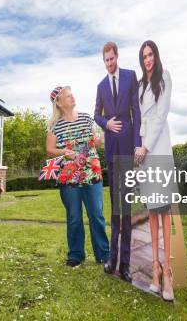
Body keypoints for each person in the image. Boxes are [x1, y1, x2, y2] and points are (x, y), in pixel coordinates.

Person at [94, 42, 142, 282]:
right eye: (106, 60)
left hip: (127, 149)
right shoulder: (101, 86)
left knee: (126, 208)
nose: (110, 63)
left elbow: (136, 111)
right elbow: (96, 114)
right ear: (103, 61)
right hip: (112, 149)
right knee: (115, 206)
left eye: (112, 59)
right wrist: (106, 124)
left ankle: (125, 264)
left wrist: (136, 144)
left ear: (117, 57)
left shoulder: (130, 77)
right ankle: (112, 259)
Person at [46, 86, 110, 267]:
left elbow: (97, 141)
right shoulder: (54, 125)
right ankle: (76, 255)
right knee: (74, 216)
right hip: (68, 178)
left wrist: (100, 140)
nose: (72, 97)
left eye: (71, 94)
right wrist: (64, 151)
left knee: (96, 215)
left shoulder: (86, 117)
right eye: (67, 96)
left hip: (92, 173)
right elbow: (50, 150)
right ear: (58, 103)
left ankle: (104, 255)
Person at [135, 40, 178, 301]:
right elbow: (139, 118)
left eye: (150, 55)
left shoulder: (165, 78)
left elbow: (160, 116)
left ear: (156, 56)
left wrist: (147, 146)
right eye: (144, 56)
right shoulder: (140, 86)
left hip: (158, 147)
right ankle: (154, 269)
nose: (148, 59)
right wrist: (139, 147)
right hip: (144, 150)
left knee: (164, 212)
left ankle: (169, 272)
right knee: (152, 209)